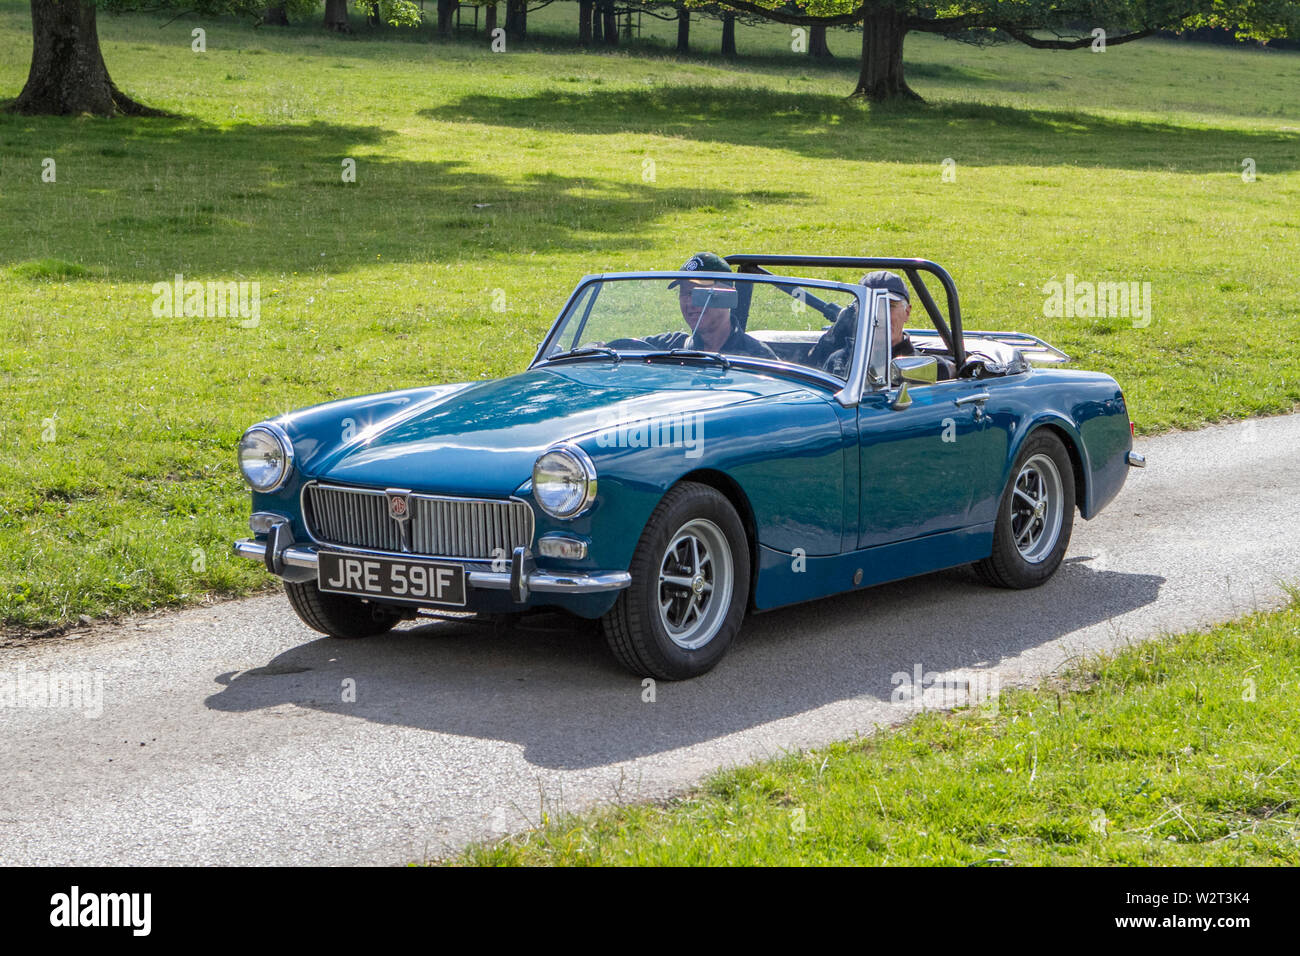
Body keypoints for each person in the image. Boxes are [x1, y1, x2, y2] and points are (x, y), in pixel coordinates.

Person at [811, 271, 952, 380]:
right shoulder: (838, 361)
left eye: (889, 306)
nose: (879, 315)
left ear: (907, 312)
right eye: (871, 306)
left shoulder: (931, 367)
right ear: (857, 312)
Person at [642, 252, 779, 361]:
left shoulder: (756, 356)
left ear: (727, 296)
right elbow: (625, 349)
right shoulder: (666, 347)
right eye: (684, 293)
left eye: (699, 293)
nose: (690, 303)